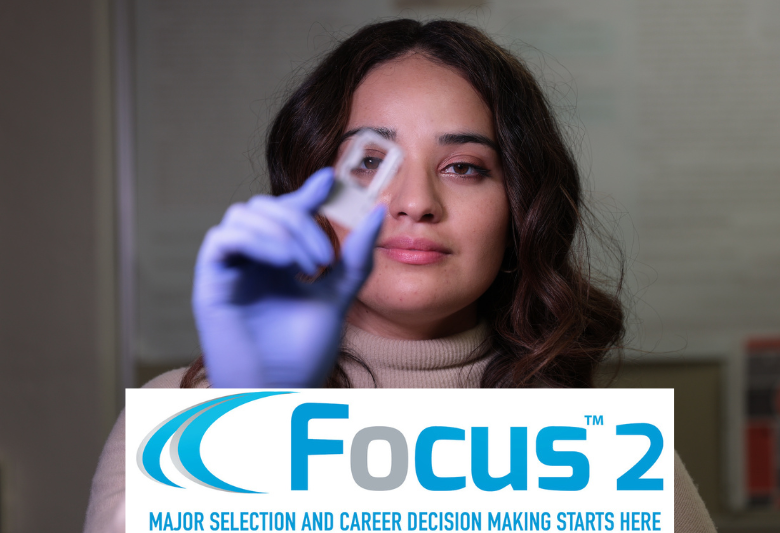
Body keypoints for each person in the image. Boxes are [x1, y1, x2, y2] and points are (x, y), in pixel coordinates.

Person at [84, 19, 716, 532]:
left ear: (519, 209)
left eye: (464, 166)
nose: (415, 202)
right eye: (371, 163)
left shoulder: (598, 455)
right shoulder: (185, 411)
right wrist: (250, 416)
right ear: (311, 190)